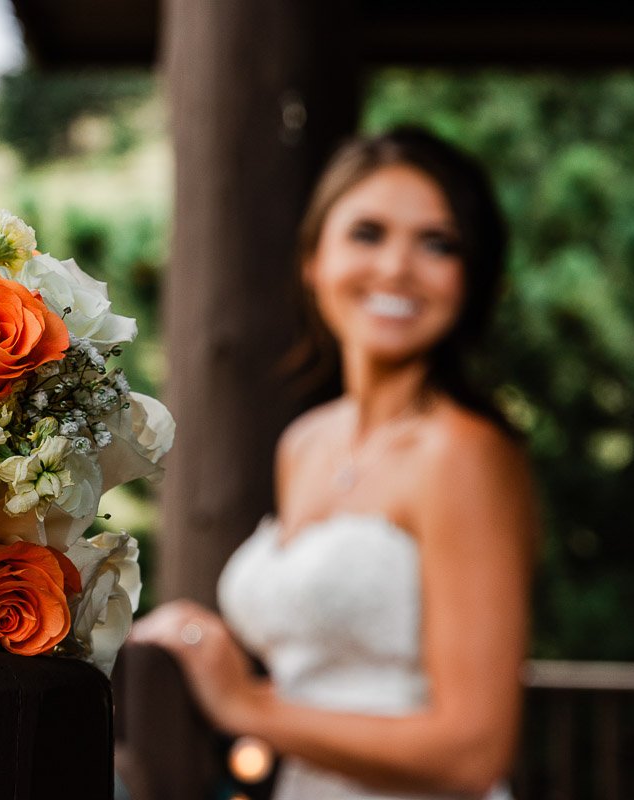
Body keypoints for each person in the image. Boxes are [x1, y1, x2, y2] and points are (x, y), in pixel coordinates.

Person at [129, 127, 539, 799]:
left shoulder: (462, 453)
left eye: (437, 243)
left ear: (473, 277)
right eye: (368, 234)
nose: (397, 268)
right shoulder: (306, 444)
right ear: (314, 260)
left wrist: (249, 705)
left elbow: (474, 751)